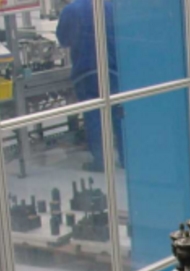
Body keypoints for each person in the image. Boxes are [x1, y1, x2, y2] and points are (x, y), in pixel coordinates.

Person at [56, 0, 123, 171]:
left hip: (86, 70)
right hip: (113, 68)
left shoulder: (71, 10)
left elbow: (63, 39)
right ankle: (126, 158)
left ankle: (102, 161)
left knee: (94, 116)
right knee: (119, 113)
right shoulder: (112, 6)